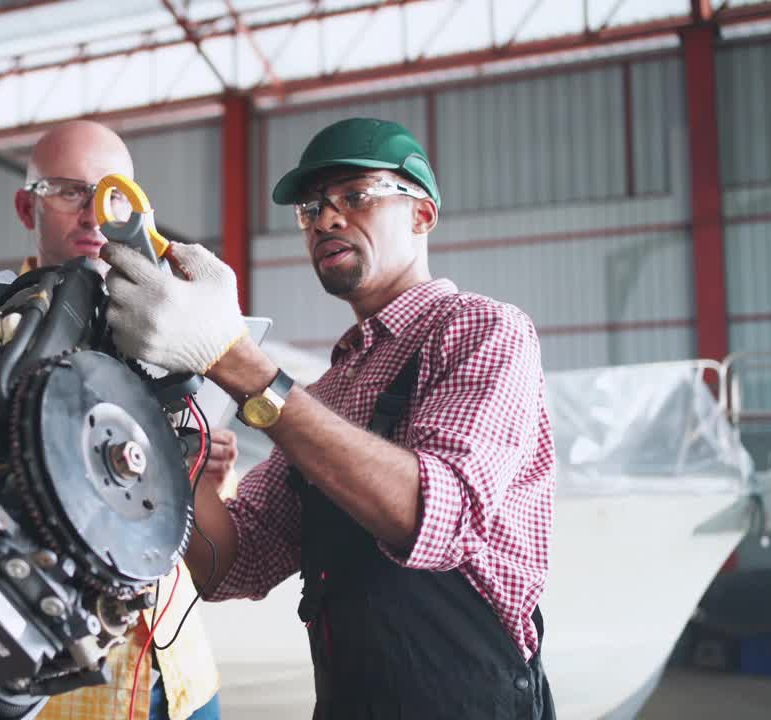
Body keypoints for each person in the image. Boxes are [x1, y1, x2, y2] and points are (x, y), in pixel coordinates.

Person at [102, 117, 557, 719]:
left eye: (355, 196)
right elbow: (230, 565)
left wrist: (232, 357)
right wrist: (167, 445)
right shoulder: (329, 392)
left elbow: (431, 515)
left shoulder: (482, 330)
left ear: (422, 215)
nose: (326, 219)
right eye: (312, 208)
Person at [11, 119, 224, 720]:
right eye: (69, 191)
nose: (93, 215)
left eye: (111, 193)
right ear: (27, 206)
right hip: (67, 686)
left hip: (180, 671)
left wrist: (202, 470)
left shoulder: (165, 327)